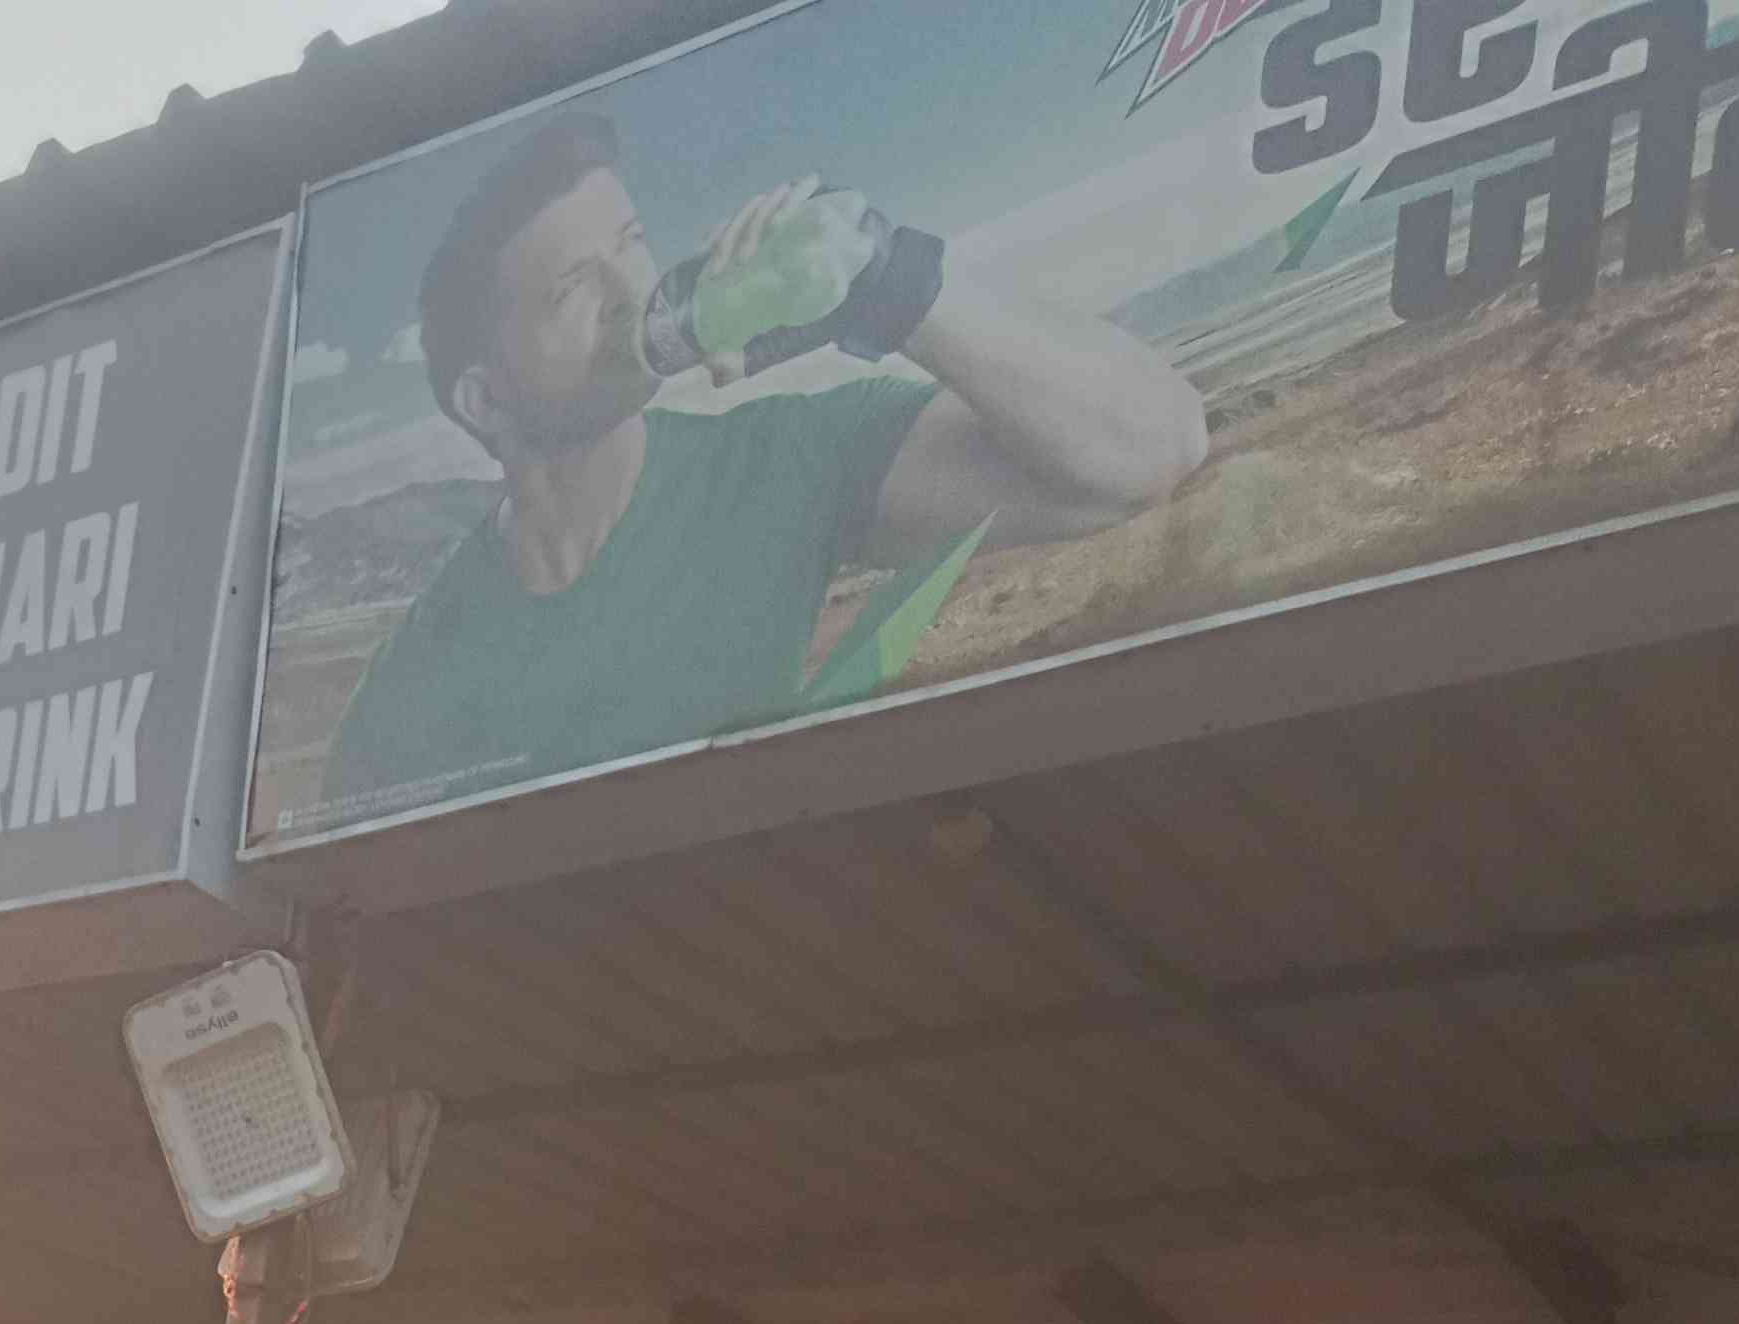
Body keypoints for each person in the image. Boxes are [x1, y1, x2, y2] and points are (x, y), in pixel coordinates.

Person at [322, 111, 1207, 815]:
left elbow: (1151, 451)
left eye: (630, 243)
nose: (633, 292)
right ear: (485, 401)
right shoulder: (409, 696)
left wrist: (887, 282)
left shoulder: (775, 463)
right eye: (573, 288)